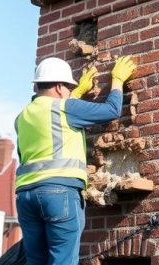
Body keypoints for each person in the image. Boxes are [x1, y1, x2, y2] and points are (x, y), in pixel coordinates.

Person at [14, 56, 136, 265]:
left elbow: (49, 129)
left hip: (25, 197)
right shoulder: (65, 108)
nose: (71, 92)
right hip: (58, 192)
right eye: (70, 88)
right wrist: (117, 80)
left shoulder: (22, 116)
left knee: (35, 261)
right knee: (63, 260)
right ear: (60, 87)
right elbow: (111, 110)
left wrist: (78, 92)